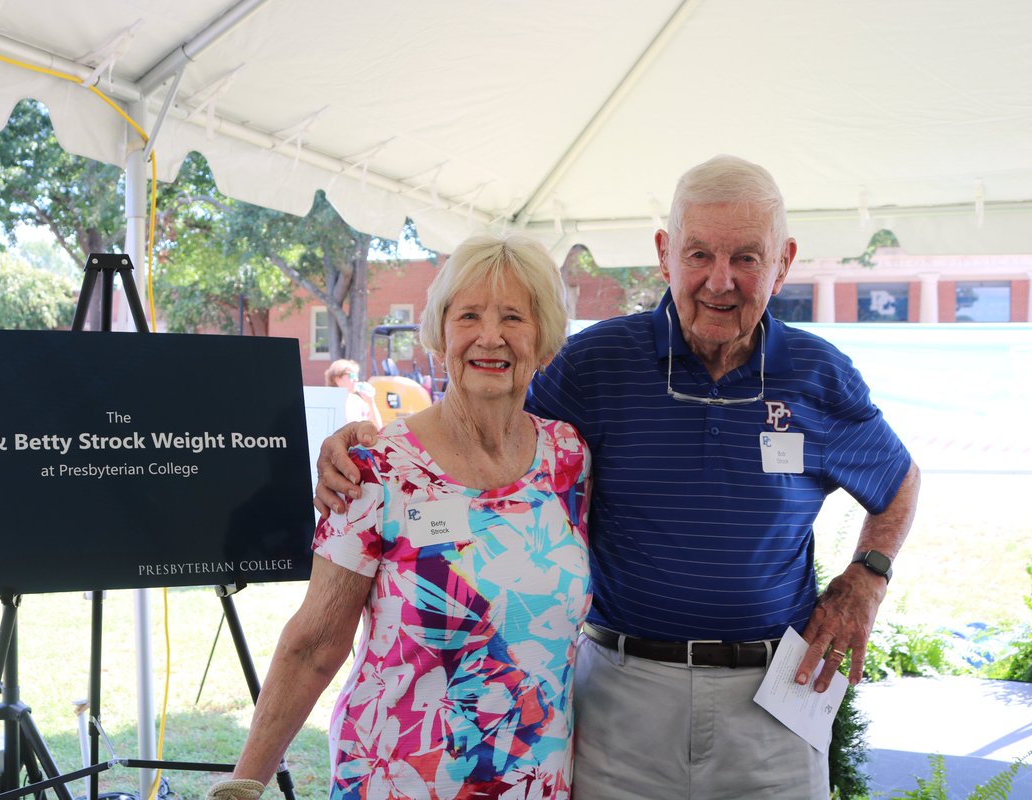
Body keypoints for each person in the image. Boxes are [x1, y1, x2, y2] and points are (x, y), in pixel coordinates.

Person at [314, 155, 920, 799]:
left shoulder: (818, 375)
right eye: (698, 255)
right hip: (622, 702)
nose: (721, 281)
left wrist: (868, 576)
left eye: (746, 257)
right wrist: (372, 443)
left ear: (784, 261)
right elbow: (480, 427)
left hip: (773, 706)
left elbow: (899, 479)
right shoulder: (595, 364)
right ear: (664, 254)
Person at [209, 235, 592, 800]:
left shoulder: (568, 458)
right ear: (440, 334)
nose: (491, 336)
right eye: (469, 316)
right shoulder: (376, 466)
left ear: (544, 341)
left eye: (515, 316)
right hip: (402, 780)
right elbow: (314, 644)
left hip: (535, 779)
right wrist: (245, 784)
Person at [324, 358, 384, 429]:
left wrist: (371, 402)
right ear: (337, 379)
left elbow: (377, 428)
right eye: (352, 376)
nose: (356, 379)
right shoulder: (327, 402)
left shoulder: (357, 401)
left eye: (356, 376)